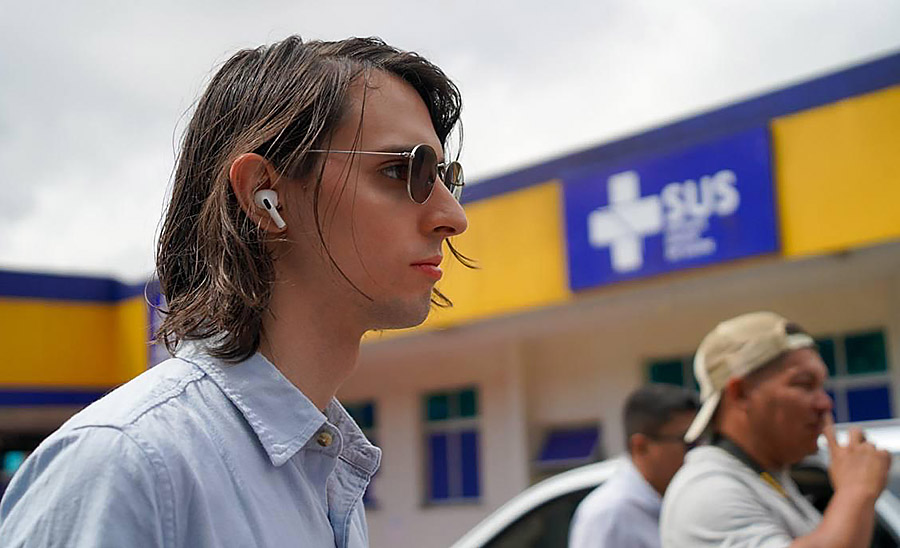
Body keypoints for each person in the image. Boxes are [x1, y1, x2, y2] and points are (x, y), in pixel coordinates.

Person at [0, 36, 468, 547]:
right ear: (264, 193)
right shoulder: (126, 466)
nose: (452, 216)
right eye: (402, 170)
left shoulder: (330, 473)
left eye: (446, 178)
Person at [660, 311, 891, 548]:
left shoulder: (767, 478)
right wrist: (856, 490)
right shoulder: (707, 491)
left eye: (821, 386)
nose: (825, 404)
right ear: (740, 393)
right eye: (804, 384)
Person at [569, 384, 699, 548]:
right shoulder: (608, 514)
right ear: (641, 447)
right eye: (689, 443)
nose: (698, 452)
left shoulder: (677, 499)